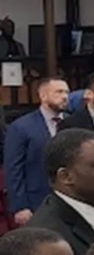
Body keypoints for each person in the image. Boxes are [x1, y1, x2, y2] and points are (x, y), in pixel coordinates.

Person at [3, 75, 71, 223]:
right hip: (38, 200)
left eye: (66, 92)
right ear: (43, 96)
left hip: (71, 198)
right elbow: (14, 168)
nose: (65, 97)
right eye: (59, 92)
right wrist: (20, 206)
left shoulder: (72, 122)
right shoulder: (21, 127)